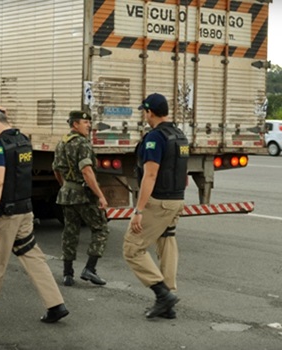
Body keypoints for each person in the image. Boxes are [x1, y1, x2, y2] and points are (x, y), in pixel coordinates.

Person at [0, 105, 69, 323]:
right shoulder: (23, 140)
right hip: (24, 211)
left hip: (5, 215)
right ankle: (56, 304)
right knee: (32, 256)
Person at [123, 93, 189, 319]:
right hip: (176, 199)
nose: (145, 115)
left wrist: (138, 211)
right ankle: (168, 301)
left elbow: (150, 175)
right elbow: (184, 174)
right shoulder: (179, 135)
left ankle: (162, 294)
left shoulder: (156, 138)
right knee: (166, 242)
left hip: (158, 201)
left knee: (132, 248)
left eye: (145, 111)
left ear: (150, 112)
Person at [52, 110, 110, 287]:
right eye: (85, 123)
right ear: (75, 124)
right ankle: (90, 269)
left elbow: (55, 169)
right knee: (100, 229)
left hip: (66, 194)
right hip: (83, 196)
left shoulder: (62, 143)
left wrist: (66, 185)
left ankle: (67, 274)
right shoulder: (82, 144)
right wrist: (100, 195)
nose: (89, 126)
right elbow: (87, 171)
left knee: (70, 232)